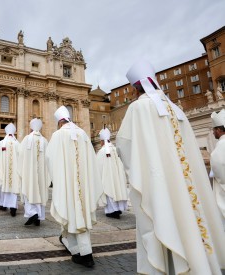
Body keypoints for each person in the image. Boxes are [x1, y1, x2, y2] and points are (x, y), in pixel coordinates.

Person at [116, 59, 225, 274]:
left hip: (160, 183)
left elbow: (124, 145)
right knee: (191, 221)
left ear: (137, 87)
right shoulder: (176, 109)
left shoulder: (138, 108)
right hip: (187, 185)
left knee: (164, 221)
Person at [45, 106, 103, 268]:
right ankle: (76, 249)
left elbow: (49, 159)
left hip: (67, 184)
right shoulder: (83, 134)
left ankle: (85, 254)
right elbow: (92, 159)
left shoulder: (57, 135)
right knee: (79, 213)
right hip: (84, 185)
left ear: (59, 122)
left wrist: (57, 178)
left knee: (70, 211)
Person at [18, 118, 50, 226]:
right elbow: (48, 158)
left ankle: (33, 213)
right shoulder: (45, 141)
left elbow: (20, 155)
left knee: (29, 190)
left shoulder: (27, 139)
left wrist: (23, 169)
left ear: (31, 127)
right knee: (40, 192)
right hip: (41, 174)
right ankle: (38, 217)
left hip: (29, 173)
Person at [96, 127, 128, 219]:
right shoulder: (114, 149)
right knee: (117, 189)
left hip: (108, 178)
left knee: (110, 190)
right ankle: (118, 209)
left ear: (102, 141)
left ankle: (112, 210)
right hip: (117, 178)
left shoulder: (102, 151)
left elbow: (97, 166)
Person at [0, 123, 21, 217]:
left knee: (5, 186)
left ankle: (4, 205)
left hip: (4, 171)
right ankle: (13, 207)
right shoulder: (17, 143)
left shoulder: (1, 143)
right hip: (15, 172)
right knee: (14, 187)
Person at [210, 109, 225, 229]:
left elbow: (218, 166)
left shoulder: (220, 146)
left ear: (219, 130)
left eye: (214, 130)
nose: (213, 132)